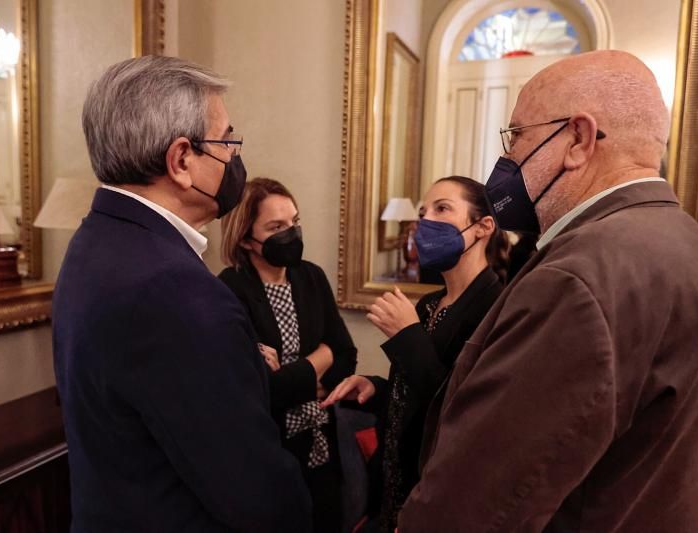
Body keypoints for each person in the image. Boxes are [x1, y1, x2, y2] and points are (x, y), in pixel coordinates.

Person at [398, 50, 698, 532]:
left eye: (517, 136)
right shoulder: (695, 247)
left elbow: (475, 507)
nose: (507, 158)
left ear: (578, 139)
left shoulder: (579, 276)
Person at [52, 56, 311, 532]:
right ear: (181, 161)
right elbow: (256, 495)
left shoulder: (98, 238)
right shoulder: (176, 291)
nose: (235, 154)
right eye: (227, 139)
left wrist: (230, 359)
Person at [322, 176, 508, 532]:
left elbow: (461, 412)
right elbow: (413, 394)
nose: (426, 223)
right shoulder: (428, 304)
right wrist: (377, 388)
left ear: (484, 226)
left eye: (442, 209)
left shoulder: (497, 308)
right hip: (394, 484)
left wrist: (407, 336)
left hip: (440, 496)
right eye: (423, 212)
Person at [218, 177, 358, 532]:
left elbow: (346, 356)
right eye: (276, 227)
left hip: (322, 443)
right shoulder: (229, 289)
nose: (291, 234)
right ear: (247, 238)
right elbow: (261, 390)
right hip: (268, 453)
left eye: (294, 222)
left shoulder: (310, 276)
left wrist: (293, 374)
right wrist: (320, 358)